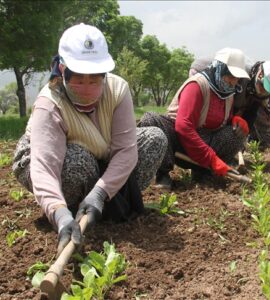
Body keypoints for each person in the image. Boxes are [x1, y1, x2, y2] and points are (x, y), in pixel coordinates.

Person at [12, 23, 168, 255]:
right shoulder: (50, 103)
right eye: (78, 79)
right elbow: (45, 167)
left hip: (100, 154)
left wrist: (100, 192)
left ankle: (98, 202)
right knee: (78, 162)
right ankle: (73, 210)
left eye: (94, 80)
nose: (86, 88)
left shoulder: (118, 89)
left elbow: (126, 150)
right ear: (63, 70)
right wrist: (60, 214)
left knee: (154, 139)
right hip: (48, 161)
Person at [138, 48, 250, 189]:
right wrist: (211, 158)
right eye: (230, 76)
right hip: (179, 141)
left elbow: (221, 119)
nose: (234, 82)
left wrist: (234, 120)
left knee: (236, 134)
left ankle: (204, 173)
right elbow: (183, 127)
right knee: (151, 119)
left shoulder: (228, 92)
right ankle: (163, 175)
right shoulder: (197, 85)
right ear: (219, 69)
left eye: (237, 78)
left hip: (207, 140)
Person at [233, 60, 270, 148]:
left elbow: (252, 112)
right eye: (263, 86)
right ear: (259, 75)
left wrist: (243, 136)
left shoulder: (261, 92)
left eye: (268, 89)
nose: (264, 91)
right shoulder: (240, 77)